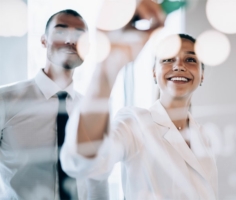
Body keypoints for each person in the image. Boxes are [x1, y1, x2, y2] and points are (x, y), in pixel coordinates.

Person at [61, 2, 217, 200]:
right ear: (154, 72)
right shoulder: (134, 123)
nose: (179, 66)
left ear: (202, 75)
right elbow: (84, 162)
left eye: (191, 60)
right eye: (168, 59)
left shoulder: (203, 135)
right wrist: (108, 65)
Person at [0, 9, 108, 200]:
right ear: (44, 40)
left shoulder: (93, 111)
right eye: (60, 32)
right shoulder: (5, 101)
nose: (70, 40)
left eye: (79, 35)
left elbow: (97, 181)